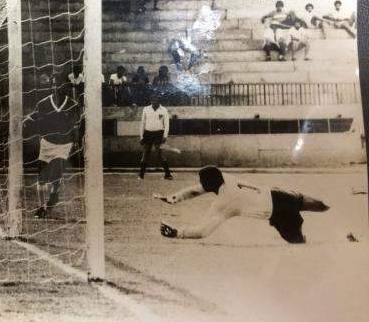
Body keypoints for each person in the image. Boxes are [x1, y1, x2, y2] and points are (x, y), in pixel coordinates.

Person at [157, 166, 329, 243]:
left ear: (210, 186)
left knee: (299, 244)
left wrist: (178, 233)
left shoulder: (225, 203)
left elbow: (202, 231)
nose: (201, 186)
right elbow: (197, 190)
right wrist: (174, 198)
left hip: (277, 214)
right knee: (318, 204)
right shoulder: (225, 176)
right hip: (278, 194)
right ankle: (338, 220)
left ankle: (332, 239)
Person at [24, 75, 80, 219]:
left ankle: (54, 193)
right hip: (47, 144)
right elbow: (33, 117)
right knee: (42, 178)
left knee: (56, 174)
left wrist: (77, 140)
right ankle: (42, 207)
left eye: (60, 84)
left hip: (64, 145)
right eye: (54, 84)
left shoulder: (73, 105)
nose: (57, 87)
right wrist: (26, 121)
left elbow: (76, 126)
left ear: (66, 86)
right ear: (51, 86)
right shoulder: (43, 103)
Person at [138, 94, 172, 180]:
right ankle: (141, 175)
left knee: (159, 154)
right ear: (151, 100)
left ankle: (168, 174)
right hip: (148, 133)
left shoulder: (164, 110)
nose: (154, 101)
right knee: (145, 153)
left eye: (156, 99)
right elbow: (142, 123)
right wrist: (141, 136)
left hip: (158, 134)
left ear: (159, 101)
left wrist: (165, 136)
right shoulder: (146, 109)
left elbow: (167, 124)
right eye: (153, 99)